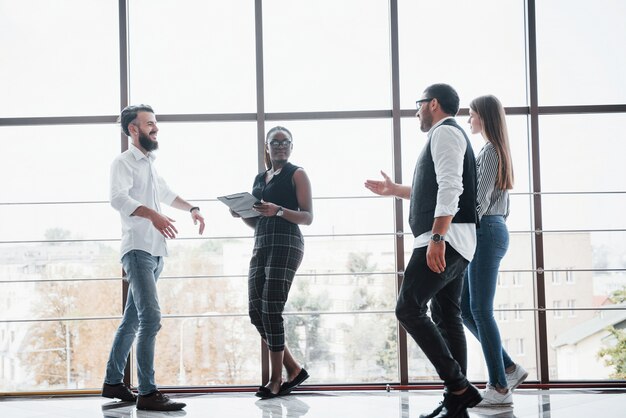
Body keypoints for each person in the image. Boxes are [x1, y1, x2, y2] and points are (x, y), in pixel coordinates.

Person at [365, 83, 481, 418]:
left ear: (433, 104)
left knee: (408, 308)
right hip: (456, 238)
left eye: (418, 105)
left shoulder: (444, 133)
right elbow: (433, 187)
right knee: (446, 316)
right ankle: (456, 401)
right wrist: (394, 190)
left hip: (444, 238)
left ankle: (459, 386)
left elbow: (451, 186)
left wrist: (437, 237)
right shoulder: (448, 135)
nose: (416, 111)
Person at [101, 104, 205, 411]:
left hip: (156, 252)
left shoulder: (149, 164)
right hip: (137, 249)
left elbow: (168, 194)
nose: (155, 128)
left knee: (132, 319)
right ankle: (147, 392)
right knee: (151, 319)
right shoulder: (124, 162)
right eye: (149, 124)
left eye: (155, 123)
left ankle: (112, 381)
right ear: (133, 129)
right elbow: (118, 198)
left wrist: (194, 209)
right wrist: (153, 216)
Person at [231, 126, 313, 399]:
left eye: (285, 142)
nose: (280, 146)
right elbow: (256, 220)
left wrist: (278, 210)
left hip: (287, 242)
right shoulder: (260, 178)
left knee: (271, 309)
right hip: (262, 242)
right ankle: (294, 369)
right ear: (266, 147)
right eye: (274, 142)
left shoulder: (297, 174)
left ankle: (276, 379)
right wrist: (241, 212)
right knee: (256, 311)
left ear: (291, 146)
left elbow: (307, 216)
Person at [461, 95, 528, 406]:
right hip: (490, 229)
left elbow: (479, 202)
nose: (469, 120)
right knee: (466, 308)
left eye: (472, 115)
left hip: (485, 230)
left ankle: (499, 388)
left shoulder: (490, 152)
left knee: (481, 311)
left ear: (484, 117)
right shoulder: (494, 151)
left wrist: (456, 226)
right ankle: (510, 368)